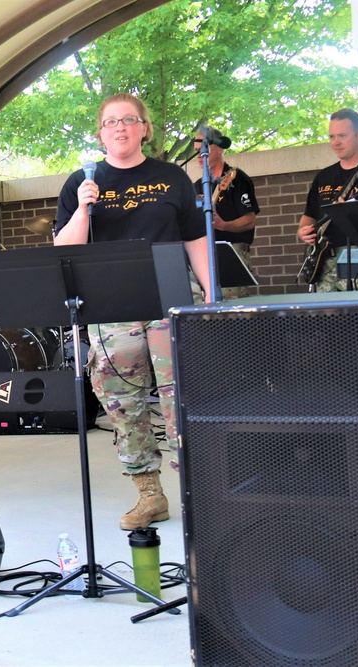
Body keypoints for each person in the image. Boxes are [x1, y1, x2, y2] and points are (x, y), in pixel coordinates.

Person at [54, 93, 211, 531]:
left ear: (145, 127)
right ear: (100, 132)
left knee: (184, 397)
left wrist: (212, 297)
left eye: (128, 120)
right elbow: (65, 248)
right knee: (122, 402)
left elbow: (195, 239)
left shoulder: (171, 177)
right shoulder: (80, 182)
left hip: (171, 298)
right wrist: (85, 207)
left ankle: (201, 493)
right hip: (112, 306)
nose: (119, 128)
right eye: (109, 122)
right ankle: (150, 495)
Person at [296, 108, 358, 292]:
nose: (336, 142)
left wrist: (349, 213)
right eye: (331, 137)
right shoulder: (323, 176)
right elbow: (309, 216)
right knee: (327, 317)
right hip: (324, 261)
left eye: (342, 135)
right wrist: (302, 232)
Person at [192, 125, 260, 299]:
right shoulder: (198, 185)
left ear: (220, 148)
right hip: (204, 254)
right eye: (197, 151)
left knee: (233, 309)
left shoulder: (237, 178)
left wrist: (224, 225)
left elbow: (249, 220)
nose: (200, 155)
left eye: (204, 149)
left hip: (231, 252)